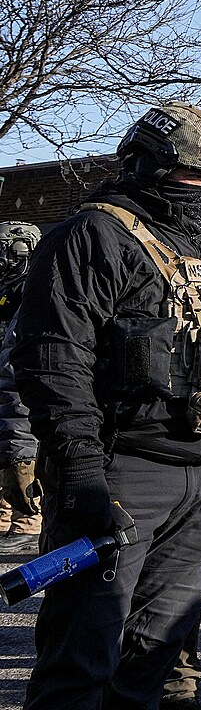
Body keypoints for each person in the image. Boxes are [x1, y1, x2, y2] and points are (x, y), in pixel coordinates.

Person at [11, 103, 201, 710]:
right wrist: (81, 478)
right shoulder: (89, 238)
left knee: (152, 656)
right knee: (82, 656)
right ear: (145, 167)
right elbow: (53, 363)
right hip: (120, 474)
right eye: (193, 177)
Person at [0, 221, 43, 555]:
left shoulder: (32, 285)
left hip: (21, 382)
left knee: (21, 451)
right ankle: (3, 517)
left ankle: (28, 521)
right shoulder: (5, 285)